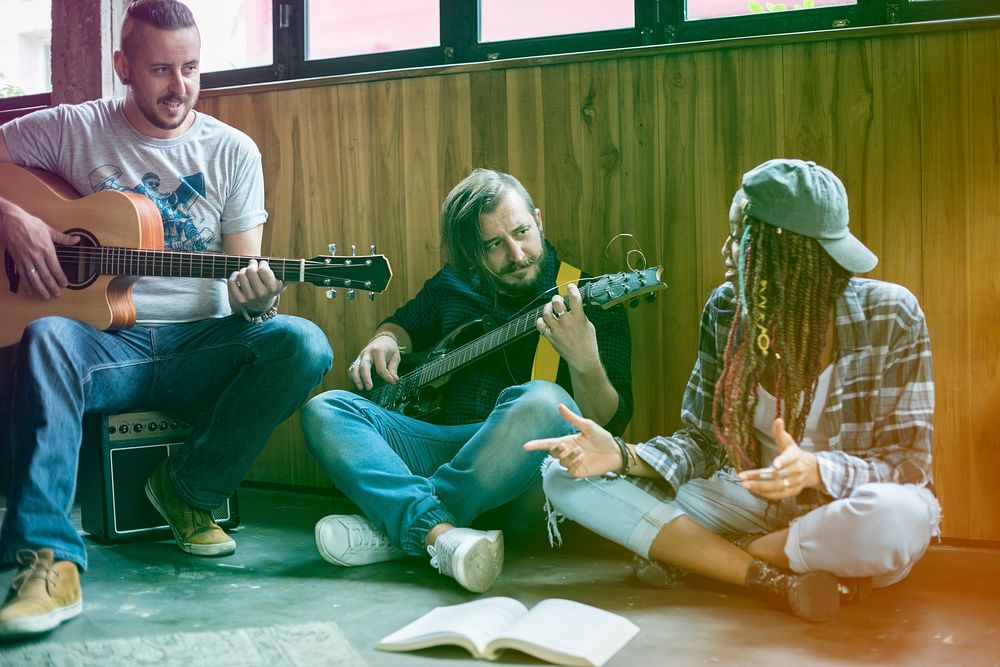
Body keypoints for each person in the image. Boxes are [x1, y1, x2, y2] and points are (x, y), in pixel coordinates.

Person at [0, 0, 332, 639]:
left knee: (302, 343)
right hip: (103, 344)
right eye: (159, 70)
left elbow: (246, 286)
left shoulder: (233, 153)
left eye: (191, 69)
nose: (178, 87)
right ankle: (47, 560)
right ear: (123, 66)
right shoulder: (74, 128)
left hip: (196, 346)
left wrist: (260, 297)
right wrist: (14, 219)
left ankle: (188, 489)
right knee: (45, 335)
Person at [526, 159, 939, 622]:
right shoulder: (727, 309)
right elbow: (703, 439)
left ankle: (722, 557)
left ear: (782, 247)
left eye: (739, 234)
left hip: (840, 513)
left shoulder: (893, 315)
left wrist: (815, 470)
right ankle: (773, 577)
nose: (726, 249)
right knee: (563, 478)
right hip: (746, 500)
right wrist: (623, 455)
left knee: (904, 517)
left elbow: (908, 466)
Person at [301, 168, 633, 593]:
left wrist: (584, 360)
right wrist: (385, 340)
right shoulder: (453, 283)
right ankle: (442, 536)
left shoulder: (591, 298)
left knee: (544, 401)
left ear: (539, 219)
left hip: (524, 473)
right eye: (494, 245)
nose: (517, 254)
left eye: (522, 232)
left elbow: (610, 425)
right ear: (470, 255)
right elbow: (405, 323)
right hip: (440, 446)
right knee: (325, 409)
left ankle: (412, 526)